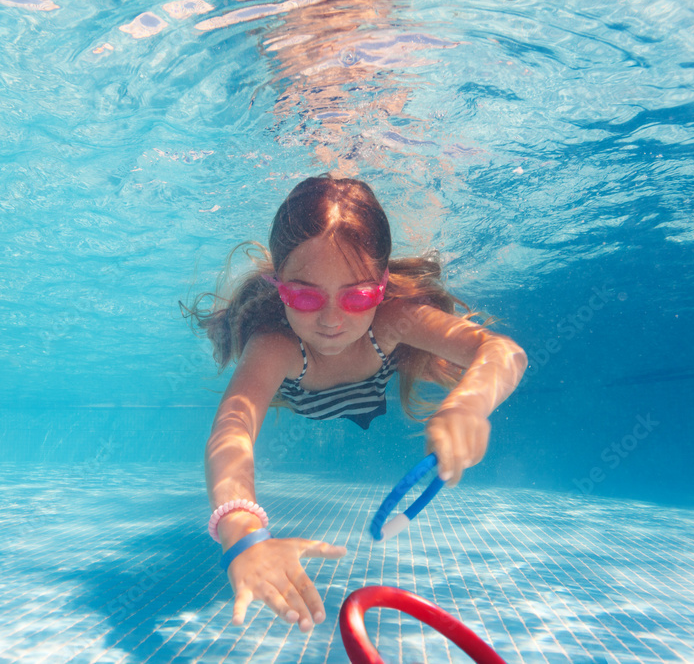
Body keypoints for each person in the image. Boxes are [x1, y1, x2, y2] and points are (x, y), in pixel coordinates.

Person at [184, 175, 527, 633]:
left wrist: (468, 403)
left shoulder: (392, 321)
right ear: (277, 284)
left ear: (382, 285)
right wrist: (242, 532)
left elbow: (503, 352)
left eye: (358, 295)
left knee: (372, 407)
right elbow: (233, 427)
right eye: (304, 295)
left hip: (372, 389)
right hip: (305, 398)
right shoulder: (275, 348)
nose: (331, 319)